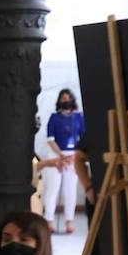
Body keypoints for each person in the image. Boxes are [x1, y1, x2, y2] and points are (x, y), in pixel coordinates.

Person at [42, 89, 84, 234]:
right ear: (59, 101)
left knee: (70, 189)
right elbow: (50, 139)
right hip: (55, 155)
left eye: (68, 98)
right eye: (63, 99)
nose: (66, 101)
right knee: (52, 188)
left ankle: (69, 221)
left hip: (73, 157)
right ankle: (49, 219)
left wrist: (73, 155)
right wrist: (61, 155)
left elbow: (83, 138)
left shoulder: (79, 117)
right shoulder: (54, 118)